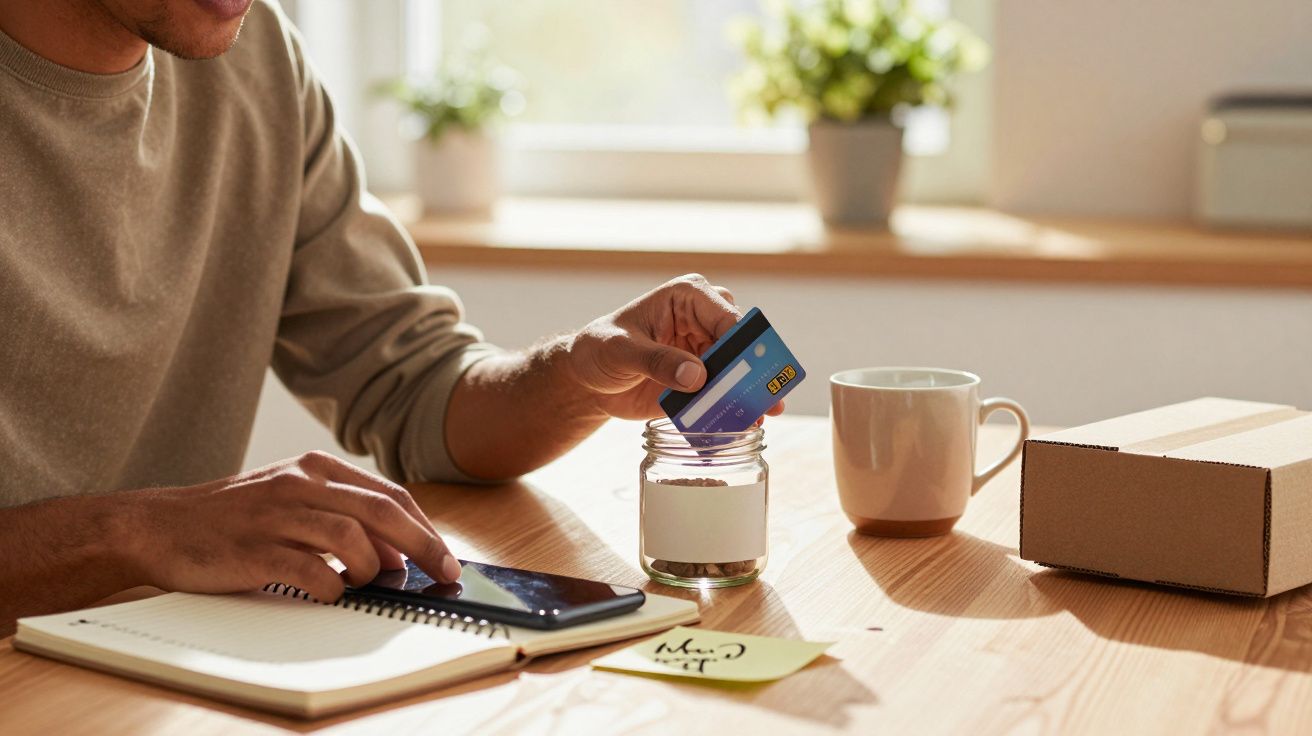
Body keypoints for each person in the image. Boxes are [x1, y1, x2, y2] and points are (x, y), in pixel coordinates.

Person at [0, 0, 781, 631]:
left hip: (158, 670)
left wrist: (580, 374)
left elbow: (415, 391)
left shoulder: (257, 58)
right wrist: (135, 535)